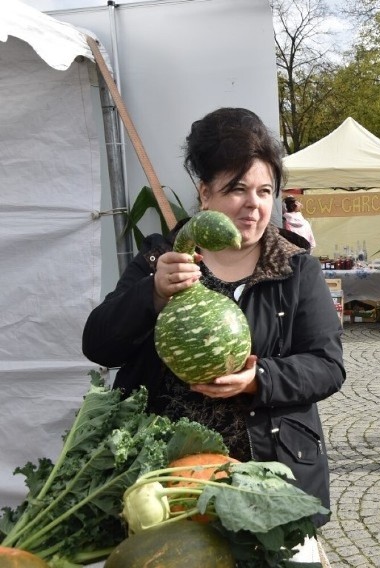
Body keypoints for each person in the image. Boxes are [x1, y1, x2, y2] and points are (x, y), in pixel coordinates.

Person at [82, 108, 345, 561]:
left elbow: (327, 366)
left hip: (269, 482)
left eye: (265, 191)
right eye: (237, 189)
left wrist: (258, 377)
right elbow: (99, 344)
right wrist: (153, 295)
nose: (254, 204)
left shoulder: (296, 268)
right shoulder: (162, 258)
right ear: (205, 193)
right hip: (170, 486)